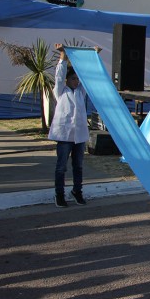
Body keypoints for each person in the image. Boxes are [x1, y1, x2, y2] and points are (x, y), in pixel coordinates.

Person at [49, 43, 96, 208]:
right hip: (64, 135)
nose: (76, 81)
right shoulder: (61, 91)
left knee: (78, 166)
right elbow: (59, 76)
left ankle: (77, 191)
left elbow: (88, 77)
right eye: (73, 79)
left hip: (79, 135)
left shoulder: (81, 92)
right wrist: (63, 55)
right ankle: (59, 194)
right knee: (61, 167)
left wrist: (94, 57)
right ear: (68, 80)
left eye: (77, 79)